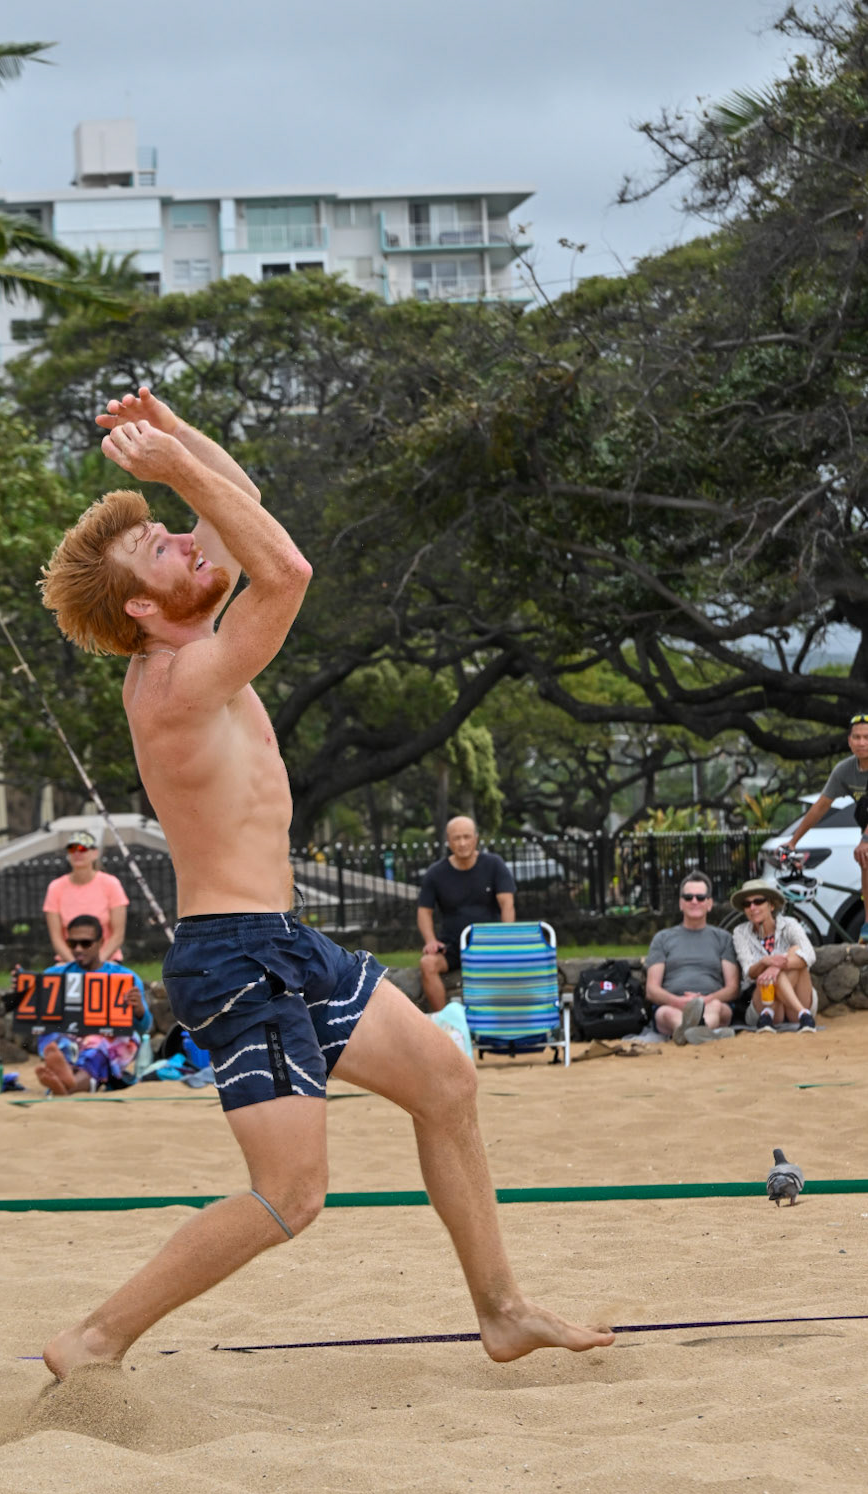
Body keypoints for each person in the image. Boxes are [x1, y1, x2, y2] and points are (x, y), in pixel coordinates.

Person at [37, 384, 612, 1380]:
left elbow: (241, 501)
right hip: (235, 959)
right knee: (292, 1194)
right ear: (141, 606)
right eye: (163, 547)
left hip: (284, 941)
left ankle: (504, 1309)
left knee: (447, 1082)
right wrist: (172, 467)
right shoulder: (177, 681)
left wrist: (175, 435)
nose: (185, 539)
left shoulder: (196, 640)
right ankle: (93, 1339)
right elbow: (286, 563)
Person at [35, 914, 149, 1094]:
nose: (78, 949)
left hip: (107, 1038)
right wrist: (22, 994)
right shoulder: (54, 976)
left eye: (85, 943)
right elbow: (37, 1017)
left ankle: (65, 1086)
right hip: (71, 1038)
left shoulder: (126, 977)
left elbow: (143, 1028)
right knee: (54, 1037)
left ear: (101, 942)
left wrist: (139, 1010)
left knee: (101, 1043)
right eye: (72, 944)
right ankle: (68, 1082)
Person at [416, 817, 517, 1011]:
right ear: (448, 841)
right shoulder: (435, 873)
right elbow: (424, 912)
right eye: (456, 838)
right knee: (427, 964)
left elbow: (507, 904)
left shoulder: (494, 864)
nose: (462, 843)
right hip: (453, 947)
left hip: (490, 944)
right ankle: (444, 1024)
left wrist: (506, 937)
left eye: (466, 837)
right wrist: (430, 941)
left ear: (476, 838)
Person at [783, 712, 868, 937]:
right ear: (849, 741)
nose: (862, 743)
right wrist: (793, 841)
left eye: (867, 737)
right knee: (865, 861)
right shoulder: (844, 770)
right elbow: (820, 806)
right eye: (857, 737)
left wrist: (866, 840)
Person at [644, 872, 741, 1040]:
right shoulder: (662, 938)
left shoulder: (723, 938)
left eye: (700, 897)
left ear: (709, 904)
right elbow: (652, 990)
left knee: (717, 1007)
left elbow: (732, 989)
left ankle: (690, 1032)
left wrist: (705, 1000)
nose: (694, 901)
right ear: (681, 903)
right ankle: (698, 1032)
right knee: (665, 1012)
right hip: (672, 1006)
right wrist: (678, 1002)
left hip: (712, 1004)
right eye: (688, 897)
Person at [729, 878, 817, 1031]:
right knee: (788, 959)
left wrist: (776, 967)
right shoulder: (740, 932)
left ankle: (800, 1013)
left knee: (796, 951)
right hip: (763, 1003)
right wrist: (765, 963)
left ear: (771, 905)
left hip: (793, 1002)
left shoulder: (789, 924)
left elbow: (810, 955)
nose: (752, 907)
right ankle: (803, 1014)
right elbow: (748, 972)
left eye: (758, 901)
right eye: (747, 904)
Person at [43, 829, 129, 961]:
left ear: (95, 853)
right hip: (68, 961)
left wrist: (98, 963)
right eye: (72, 849)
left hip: (107, 960)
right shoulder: (55, 887)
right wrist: (75, 964)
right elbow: (56, 938)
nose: (77, 853)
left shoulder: (111, 884)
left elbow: (118, 935)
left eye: (83, 848)